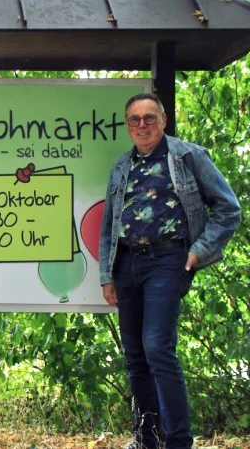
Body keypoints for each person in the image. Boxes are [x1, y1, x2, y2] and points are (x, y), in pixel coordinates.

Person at [99, 93, 241, 449]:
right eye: (135, 119)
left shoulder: (188, 156)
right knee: (135, 356)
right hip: (127, 263)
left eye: (149, 118)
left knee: (158, 348)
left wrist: (199, 252)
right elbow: (108, 225)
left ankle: (178, 442)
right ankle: (147, 439)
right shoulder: (121, 166)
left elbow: (229, 209)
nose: (142, 125)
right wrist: (107, 274)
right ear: (128, 125)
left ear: (162, 120)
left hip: (168, 261)